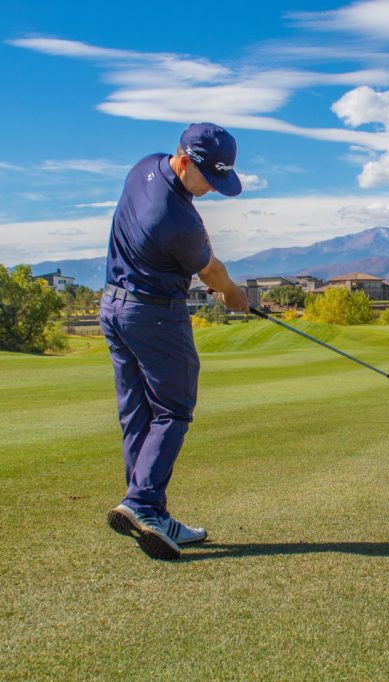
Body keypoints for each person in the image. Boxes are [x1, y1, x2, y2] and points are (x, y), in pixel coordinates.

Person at [100, 122, 249, 560]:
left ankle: (149, 513)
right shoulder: (177, 219)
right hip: (154, 316)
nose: (214, 188)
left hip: (113, 306)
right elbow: (212, 273)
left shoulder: (144, 166)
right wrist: (234, 296)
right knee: (174, 409)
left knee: (138, 414)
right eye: (210, 178)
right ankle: (142, 503)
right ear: (184, 161)